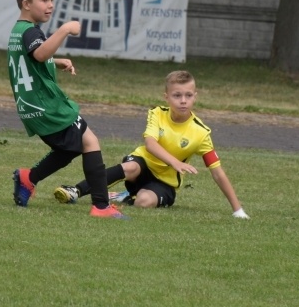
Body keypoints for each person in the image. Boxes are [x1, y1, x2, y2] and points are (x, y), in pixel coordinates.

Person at [7, 0, 127, 219]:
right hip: (48, 105)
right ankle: (101, 206)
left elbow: (31, 60)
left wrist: (56, 62)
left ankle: (29, 178)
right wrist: (63, 30)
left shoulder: (19, 31)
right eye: (44, 0)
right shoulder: (31, 32)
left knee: (70, 148)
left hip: (31, 107)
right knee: (90, 141)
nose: (50, 5)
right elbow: (39, 54)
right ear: (26, 4)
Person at [53, 70, 250, 219]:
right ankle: (75, 191)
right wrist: (175, 162)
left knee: (143, 202)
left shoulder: (201, 132)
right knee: (131, 166)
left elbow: (218, 172)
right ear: (167, 97)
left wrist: (238, 210)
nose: (183, 101)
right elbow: (150, 144)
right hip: (142, 165)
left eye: (188, 96)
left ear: (195, 96)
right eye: (177, 95)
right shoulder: (157, 113)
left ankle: (125, 197)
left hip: (164, 183)